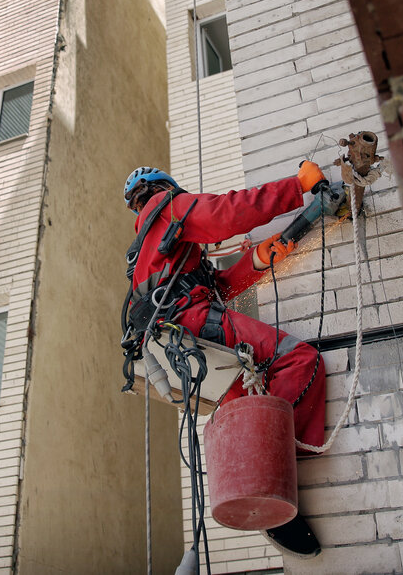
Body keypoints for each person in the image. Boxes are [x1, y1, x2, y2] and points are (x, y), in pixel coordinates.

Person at [121, 164, 328, 558]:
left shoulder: (155, 248)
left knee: (245, 403)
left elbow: (220, 287)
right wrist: (296, 187)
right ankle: (276, 468)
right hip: (192, 322)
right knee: (298, 361)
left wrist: (262, 257)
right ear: (164, 188)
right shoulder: (168, 208)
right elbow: (226, 214)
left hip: (179, 342)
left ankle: (262, 498)